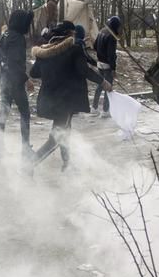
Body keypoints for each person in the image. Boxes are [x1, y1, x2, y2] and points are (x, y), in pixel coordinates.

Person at [29, 21, 112, 172]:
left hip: (49, 99)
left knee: (64, 131)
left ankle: (67, 164)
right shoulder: (74, 50)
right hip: (65, 100)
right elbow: (84, 71)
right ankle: (29, 164)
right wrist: (103, 81)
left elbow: (34, 73)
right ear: (70, 34)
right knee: (57, 137)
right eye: (73, 33)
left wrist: (51, 68)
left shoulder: (45, 51)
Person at [0, 9, 34, 162]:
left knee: (3, 114)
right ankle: (25, 149)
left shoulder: (5, 35)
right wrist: (27, 79)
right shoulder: (17, 38)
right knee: (25, 114)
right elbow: (14, 63)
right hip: (15, 81)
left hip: (5, 80)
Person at [93, 16, 121, 116]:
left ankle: (94, 108)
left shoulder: (102, 31)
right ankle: (105, 110)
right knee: (108, 87)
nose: (119, 29)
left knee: (100, 84)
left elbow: (94, 46)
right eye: (118, 27)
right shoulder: (111, 36)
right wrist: (113, 68)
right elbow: (111, 54)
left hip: (99, 63)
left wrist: (100, 54)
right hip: (107, 65)